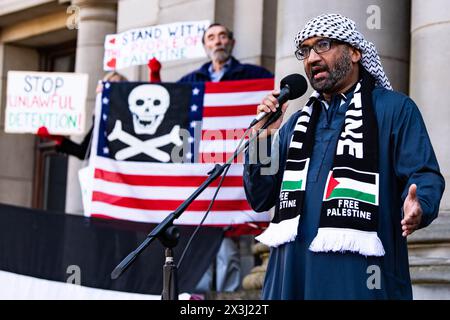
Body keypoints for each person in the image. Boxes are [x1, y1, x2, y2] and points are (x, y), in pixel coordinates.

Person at [243, 13, 445, 299]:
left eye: (323, 45)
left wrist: (420, 204)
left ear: (354, 52)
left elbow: (423, 174)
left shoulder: (394, 109)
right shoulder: (293, 124)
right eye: (305, 50)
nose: (312, 57)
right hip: (291, 277)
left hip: (359, 281)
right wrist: (262, 140)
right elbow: (261, 196)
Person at [178, 23, 273, 293]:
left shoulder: (255, 75)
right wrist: (155, 76)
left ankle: (228, 297)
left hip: (235, 168)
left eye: (222, 36)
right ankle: (198, 298)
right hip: (201, 168)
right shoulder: (190, 80)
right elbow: (170, 107)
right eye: (211, 37)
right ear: (205, 45)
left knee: (228, 247)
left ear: (231, 42)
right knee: (199, 240)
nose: (217, 42)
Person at [38, 71, 128, 159]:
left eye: (116, 84)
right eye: (108, 84)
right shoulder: (100, 119)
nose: (110, 87)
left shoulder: (130, 114)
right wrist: (56, 137)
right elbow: (83, 151)